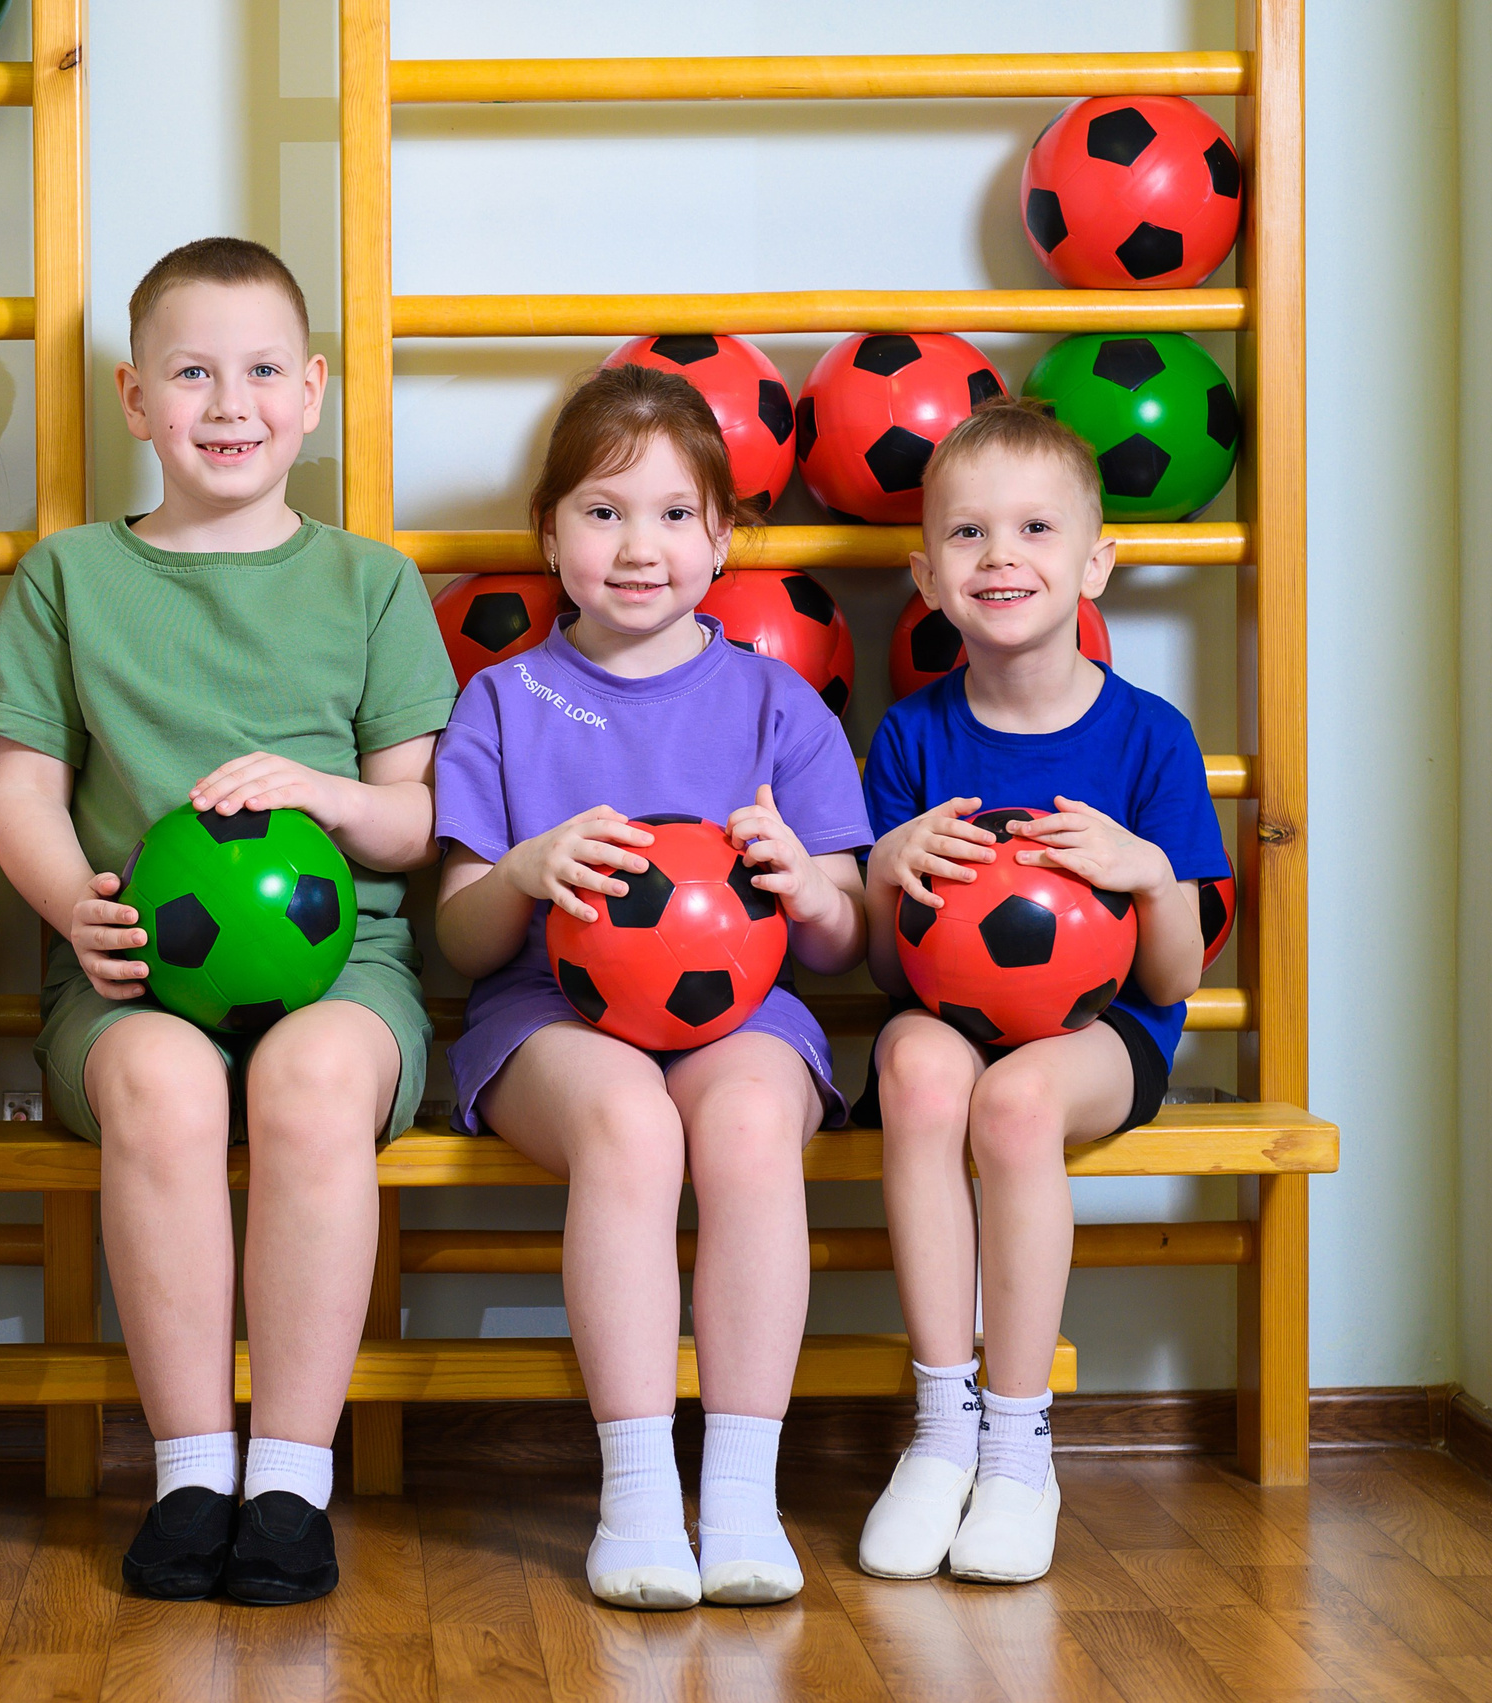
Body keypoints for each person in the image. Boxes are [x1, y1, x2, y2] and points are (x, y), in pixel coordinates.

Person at [0, 237, 455, 1605]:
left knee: (312, 1082)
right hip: (130, 974)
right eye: (191, 374)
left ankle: (289, 1480)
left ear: (312, 392)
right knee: (164, 1085)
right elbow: (20, 790)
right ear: (136, 400)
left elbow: (414, 822)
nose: (228, 403)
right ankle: (189, 1470)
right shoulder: (70, 577)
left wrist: (323, 793)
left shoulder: (372, 582)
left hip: (344, 969)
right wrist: (75, 908)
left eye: (259, 372)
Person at [432, 362, 870, 1609]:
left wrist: (809, 884)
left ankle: (739, 1493)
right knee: (629, 1122)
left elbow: (842, 939)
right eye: (603, 511)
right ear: (548, 536)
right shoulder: (503, 699)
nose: (639, 546)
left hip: (742, 1015)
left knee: (745, 1122)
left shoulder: (779, 702)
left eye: (676, 513)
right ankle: (634, 1493)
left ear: (722, 539)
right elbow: (462, 938)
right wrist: (522, 869)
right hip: (549, 1015)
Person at [855, 397, 1224, 1585]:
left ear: (1094, 562)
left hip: (1105, 1034)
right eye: (967, 533)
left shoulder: (1149, 737)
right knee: (916, 1070)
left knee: (1014, 1104)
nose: (999, 556)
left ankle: (1017, 1448)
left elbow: (1175, 977)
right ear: (926, 577)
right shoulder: (909, 737)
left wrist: (1148, 872)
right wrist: (885, 868)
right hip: (948, 1022)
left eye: (1033, 528)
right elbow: (885, 972)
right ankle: (940, 1429)